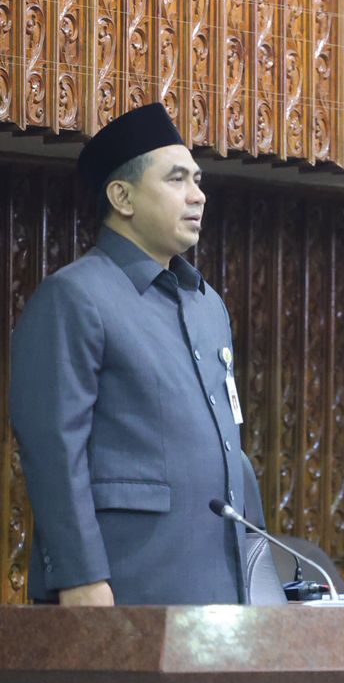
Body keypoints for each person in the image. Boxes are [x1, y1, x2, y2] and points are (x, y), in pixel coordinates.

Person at [10, 102, 258, 604]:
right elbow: (54, 450)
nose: (197, 195)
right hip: (125, 582)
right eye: (176, 179)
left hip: (221, 583)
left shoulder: (207, 303)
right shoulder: (75, 296)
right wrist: (80, 577)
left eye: (198, 180)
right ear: (122, 196)